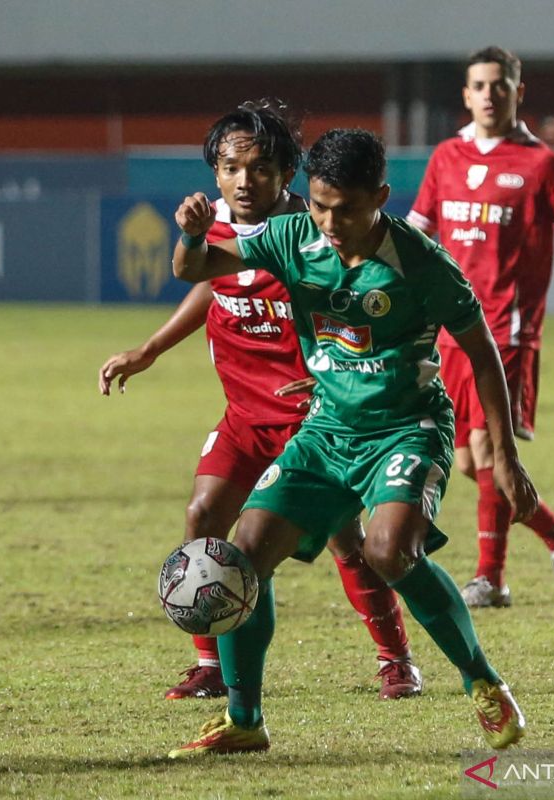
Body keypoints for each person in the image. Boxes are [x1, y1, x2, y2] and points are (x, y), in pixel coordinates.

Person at [167, 128, 535, 757]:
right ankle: (245, 719)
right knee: (240, 559)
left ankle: (483, 680)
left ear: (381, 198)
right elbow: (193, 270)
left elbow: (481, 354)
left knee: (388, 552)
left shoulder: (422, 262)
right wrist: (194, 234)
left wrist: (504, 454)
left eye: (346, 208)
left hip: (407, 429)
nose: (330, 222)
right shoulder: (290, 237)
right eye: (318, 205)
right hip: (326, 432)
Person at [99, 100, 422, 702]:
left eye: (262, 168)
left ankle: (395, 658)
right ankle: (212, 663)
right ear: (215, 172)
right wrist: (149, 350)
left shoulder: (314, 231)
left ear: (286, 174)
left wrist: (335, 375)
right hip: (245, 415)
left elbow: (359, 310)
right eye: (231, 167)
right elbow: (210, 287)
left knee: (345, 540)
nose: (245, 180)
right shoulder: (216, 227)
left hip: (314, 420)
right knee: (203, 517)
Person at [408, 46, 554, 607]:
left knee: (489, 453)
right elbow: (416, 239)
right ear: (465, 95)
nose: (490, 94)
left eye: (501, 84)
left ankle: (490, 579)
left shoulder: (542, 166)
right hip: (450, 331)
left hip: (507, 334)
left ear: (520, 91)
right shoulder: (445, 157)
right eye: (479, 85)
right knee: (468, 460)